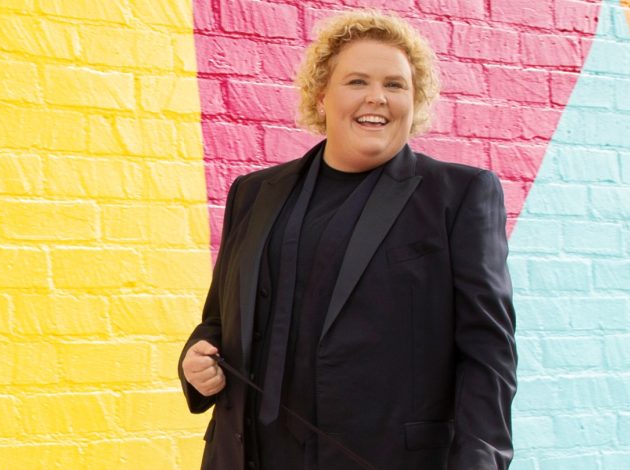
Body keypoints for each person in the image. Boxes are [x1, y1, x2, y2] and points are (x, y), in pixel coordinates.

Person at [179, 9, 517, 470]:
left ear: (415, 101)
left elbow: (488, 352)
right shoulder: (254, 193)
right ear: (321, 96)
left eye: (395, 85)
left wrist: (480, 461)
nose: (377, 98)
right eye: (357, 81)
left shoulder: (459, 195)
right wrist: (198, 358)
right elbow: (218, 321)